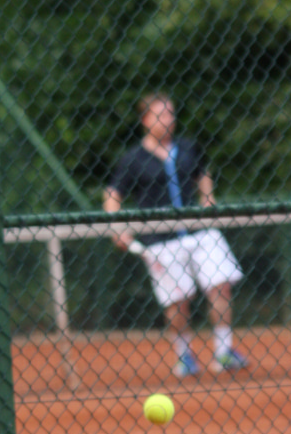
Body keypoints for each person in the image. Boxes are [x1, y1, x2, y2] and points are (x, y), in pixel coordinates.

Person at [104, 92, 247, 378]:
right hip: (161, 240)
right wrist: (116, 226)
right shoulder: (133, 159)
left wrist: (208, 198)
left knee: (220, 284)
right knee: (177, 301)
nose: (168, 120)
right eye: (160, 115)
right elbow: (112, 193)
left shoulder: (187, 147)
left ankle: (223, 351)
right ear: (145, 120)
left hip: (200, 231)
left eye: (170, 113)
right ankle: (184, 356)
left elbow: (202, 173)